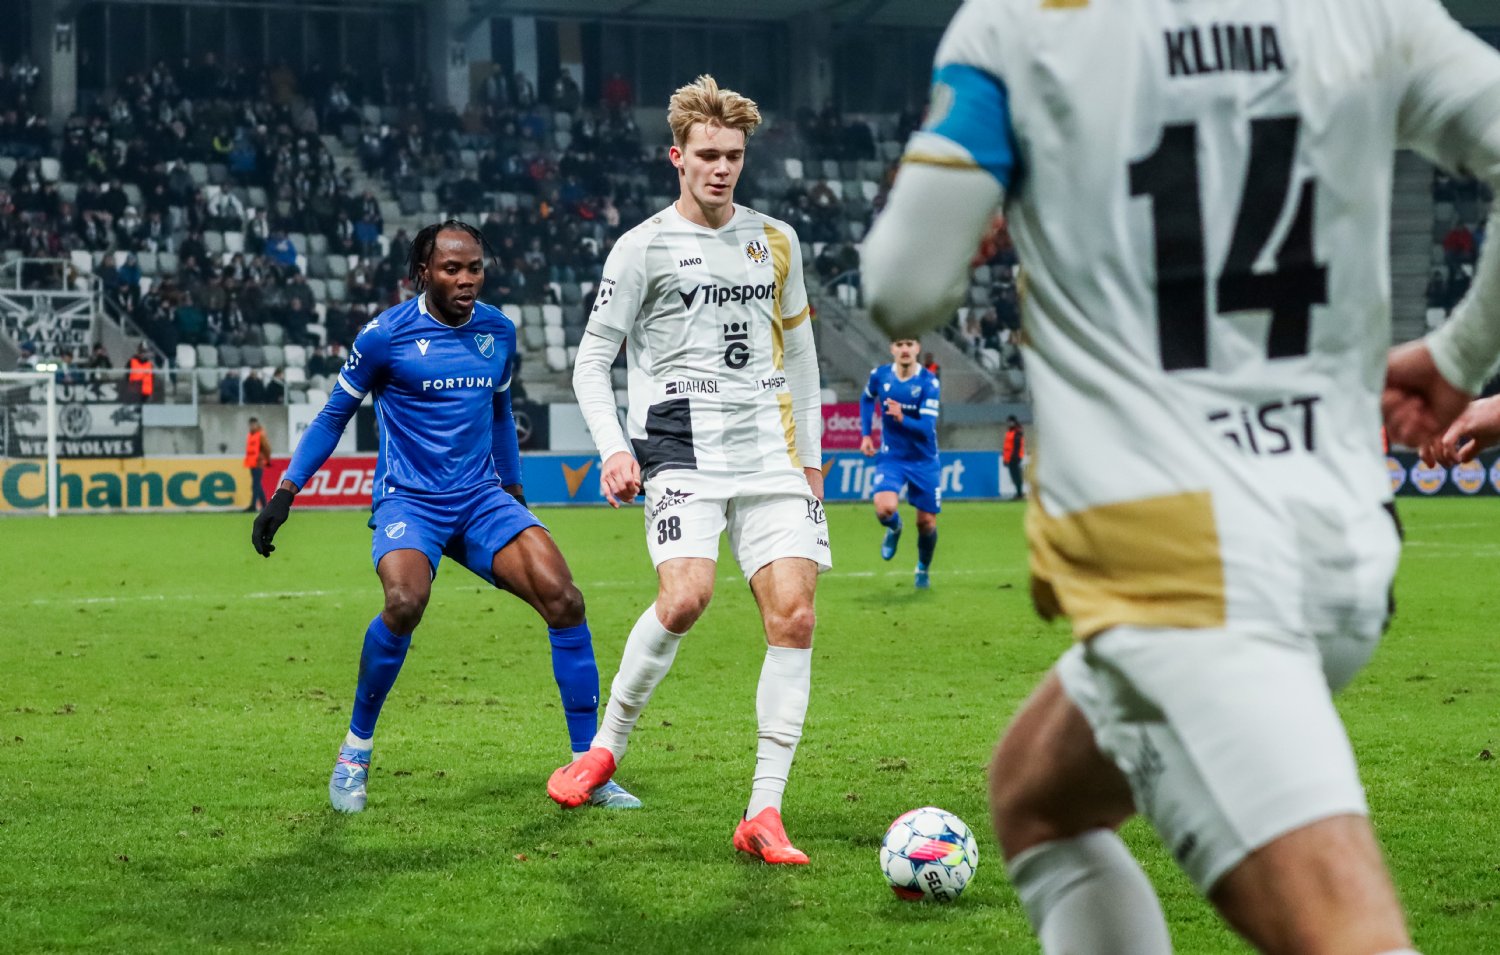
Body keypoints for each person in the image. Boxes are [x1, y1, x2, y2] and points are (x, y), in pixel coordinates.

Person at [860, 1, 1500, 952]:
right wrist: (1460, 353)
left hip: (1179, 567)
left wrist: (993, 203)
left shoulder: (1018, 24)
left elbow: (902, 287)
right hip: (1337, 532)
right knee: (1038, 799)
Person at [250, 219, 639, 814]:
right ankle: (355, 751)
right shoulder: (384, 337)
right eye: (451, 269)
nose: (466, 279)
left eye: (474, 268)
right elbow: (332, 417)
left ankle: (589, 767)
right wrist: (286, 491)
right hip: (410, 500)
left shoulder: (498, 330)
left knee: (565, 600)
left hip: (481, 498)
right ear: (423, 273)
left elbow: (502, 415)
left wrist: (514, 494)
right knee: (404, 602)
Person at [549, 75, 827, 865]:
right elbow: (592, 360)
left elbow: (802, 357)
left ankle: (763, 810)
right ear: (677, 157)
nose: (722, 168)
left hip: (770, 451)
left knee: (795, 617)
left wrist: (811, 460)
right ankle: (605, 748)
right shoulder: (642, 246)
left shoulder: (777, 239)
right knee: (686, 597)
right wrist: (613, 447)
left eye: (733, 155)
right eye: (707, 155)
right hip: (679, 445)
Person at [859, 337, 941, 588]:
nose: (905, 349)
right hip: (892, 456)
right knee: (884, 509)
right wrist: (866, 435)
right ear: (891, 348)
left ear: (918, 348)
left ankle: (922, 569)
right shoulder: (880, 376)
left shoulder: (928, 382)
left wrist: (901, 417)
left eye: (909, 344)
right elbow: (866, 399)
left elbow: (926, 428)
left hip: (923, 459)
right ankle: (894, 528)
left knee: (926, 523)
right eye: (899, 344)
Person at [243, 416, 270, 512]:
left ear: (256, 424)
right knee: (257, 485)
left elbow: (266, 448)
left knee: (255, 485)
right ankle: (265, 505)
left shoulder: (260, 435)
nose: (252, 426)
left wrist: (266, 460)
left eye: (253, 424)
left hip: (258, 463)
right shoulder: (250, 435)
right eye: (250, 425)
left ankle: (253, 505)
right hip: (252, 463)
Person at [1002, 416, 1024, 501]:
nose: (1009, 424)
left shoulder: (1017, 432)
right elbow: (1007, 447)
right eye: (1008, 422)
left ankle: (1019, 493)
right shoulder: (1009, 432)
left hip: (1014, 457)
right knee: (1014, 476)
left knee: (1016, 476)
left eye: (1011, 422)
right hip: (1010, 458)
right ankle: (1018, 493)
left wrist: (1014, 457)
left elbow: (1017, 446)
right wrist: (1005, 459)